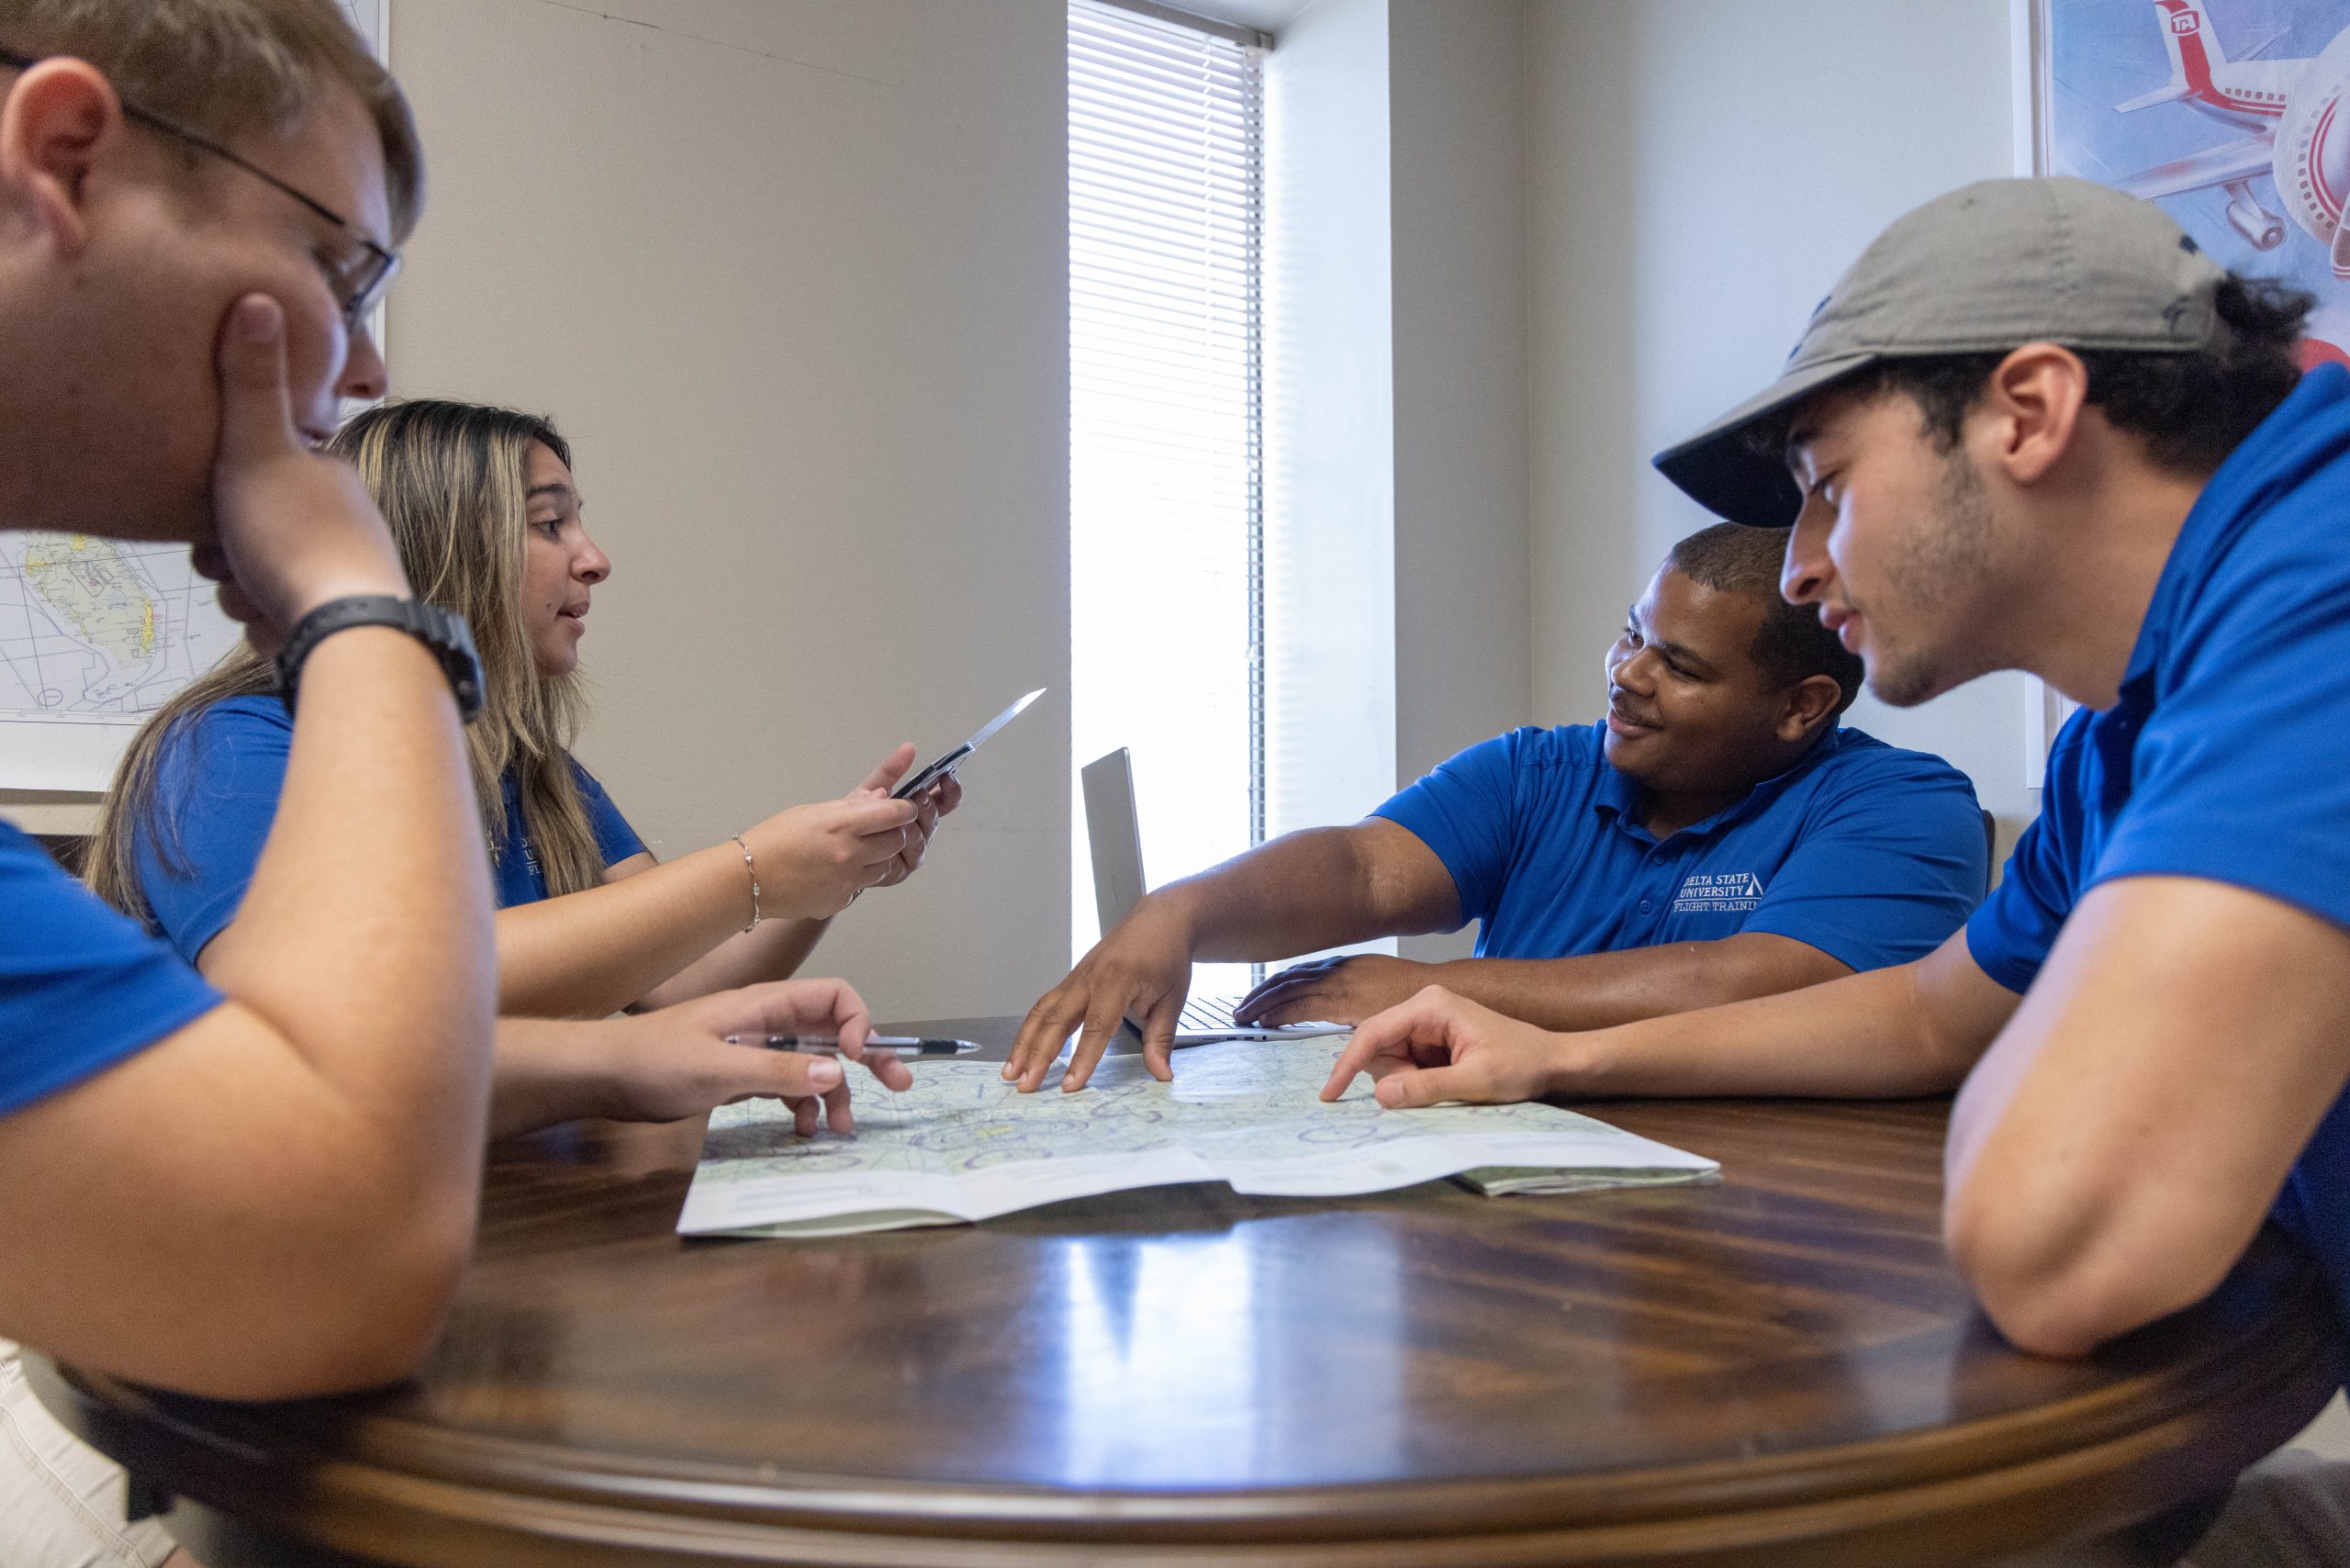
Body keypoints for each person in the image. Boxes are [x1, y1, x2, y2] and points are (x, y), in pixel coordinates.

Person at [1316, 178, 2350, 1564]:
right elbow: (1934, 1011)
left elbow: (2057, 1244)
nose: (1800, 570)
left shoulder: (2319, 580)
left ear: (2029, 413)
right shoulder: (2134, 719)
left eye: (1826, 488)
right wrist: (1551, 1062)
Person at [0, 7, 900, 1567]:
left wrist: (784, 905)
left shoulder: (530, 766)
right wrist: (360, 602)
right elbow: (330, 1242)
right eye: (339, 268)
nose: (355, 370)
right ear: (64, 160)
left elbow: (633, 979)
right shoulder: (247, 741)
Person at [1008, 522, 1987, 1092]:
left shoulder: (1902, 808)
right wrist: (1180, 912)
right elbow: (1361, 866)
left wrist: (1437, 994)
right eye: (1630, 636)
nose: (1626, 677)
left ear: (1800, 706)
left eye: (1678, 666)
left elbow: (1753, 983)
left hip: (1756, 1206)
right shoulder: (1542, 770)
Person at [90, 398, 958, 1020]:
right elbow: (365, 993)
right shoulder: (230, 751)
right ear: (441, 547)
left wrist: (833, 871)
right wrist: (750, 867)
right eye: (550, 526)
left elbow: (669, 978)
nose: (595, 559)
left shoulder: (532, 770)